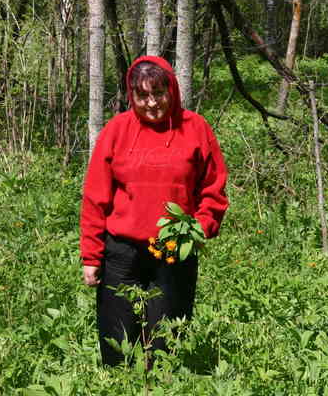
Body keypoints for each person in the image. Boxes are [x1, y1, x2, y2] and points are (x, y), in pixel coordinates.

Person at [80, 55, 229, 366]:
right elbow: (96, 197)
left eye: (159, 93)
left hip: (173, 251)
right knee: (118, 343)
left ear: (171, 90)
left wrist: (198, 228)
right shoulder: (117, 130)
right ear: (131, 95)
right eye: (142, 95)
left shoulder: (195, 128)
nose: (151, 103)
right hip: (121, 253)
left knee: (165, 344)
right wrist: (91, 256)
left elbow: (213, 189)